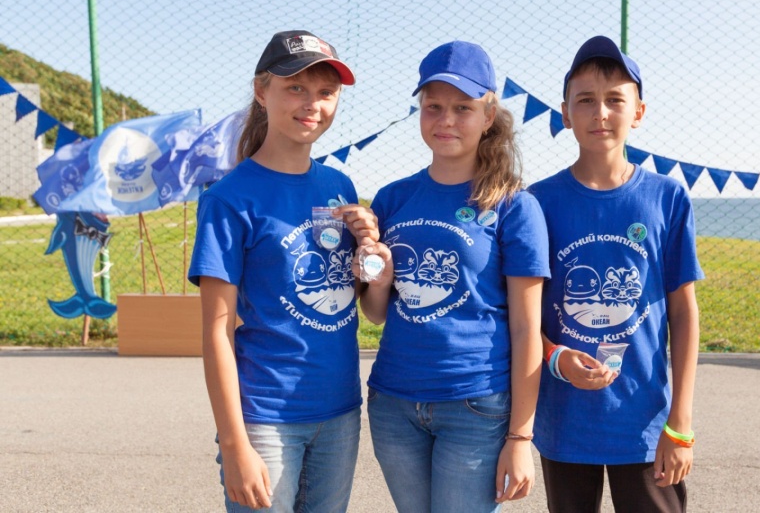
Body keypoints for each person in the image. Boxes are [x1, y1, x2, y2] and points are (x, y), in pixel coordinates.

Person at [188, 30, 380, 512]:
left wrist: (370, 251)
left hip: (340, 411)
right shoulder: (229, 199)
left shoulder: (339, 185)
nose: (312, 104)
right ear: (262, 90)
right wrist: (235, 443)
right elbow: (216, 331)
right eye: (295, 87)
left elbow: (355, 298)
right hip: (265, 419)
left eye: (326, 92)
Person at [358, 40, 550, 513]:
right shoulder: (392, 198)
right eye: (434, 107)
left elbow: (527, 328)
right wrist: (378, 279)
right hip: (393, 403)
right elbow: (376, 313)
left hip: (476, 404)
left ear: (488, 116)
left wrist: (520, 437)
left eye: (462, 108)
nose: (446, 120)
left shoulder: (513, 206)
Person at [530, 35, 704, 513]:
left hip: (645, 422)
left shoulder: (667, 197)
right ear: (565, 114)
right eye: (585, 100)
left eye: (615, 100)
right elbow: (521, 316)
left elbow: (683, 312)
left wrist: (680, 423)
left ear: (639, 112)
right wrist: (555, 356)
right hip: (565, 423)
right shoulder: (537, 202)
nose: (600, 113)